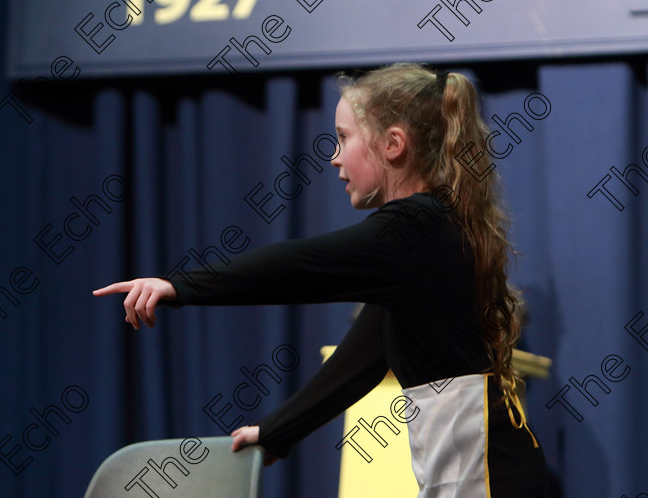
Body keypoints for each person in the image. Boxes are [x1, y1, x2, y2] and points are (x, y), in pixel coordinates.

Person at [93, 63, 546, 497]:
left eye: (343, 138)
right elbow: (363, 357)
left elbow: (301, 266)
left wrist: (179, 287)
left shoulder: (415, 227)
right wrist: (275, 433)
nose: (332, 158)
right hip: (483, 476)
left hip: (488, 480)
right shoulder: (421, 239)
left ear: (393, 144)